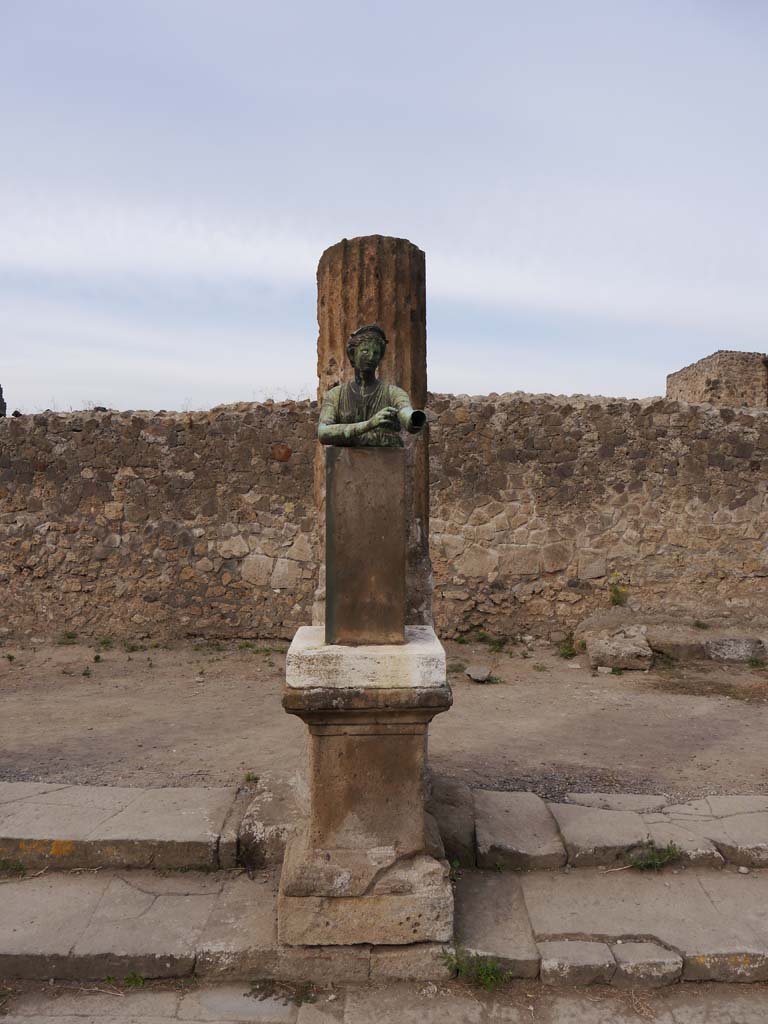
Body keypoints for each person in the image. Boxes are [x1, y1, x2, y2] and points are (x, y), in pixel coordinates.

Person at [317, 324, 426, 447]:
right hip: (345, 462)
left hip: (384, 462)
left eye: (376, 353)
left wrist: (412, 419)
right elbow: (323, 432)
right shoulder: (336, 395)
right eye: (365, 351)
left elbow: (405, 411)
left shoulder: (393, 393)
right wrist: (370, 424)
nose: (371, 357)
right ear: (352, 354)